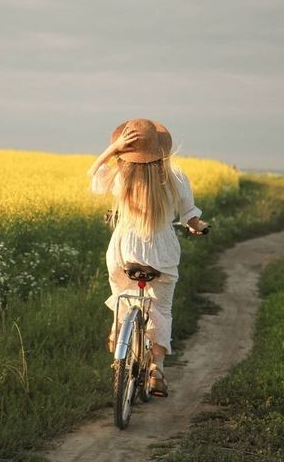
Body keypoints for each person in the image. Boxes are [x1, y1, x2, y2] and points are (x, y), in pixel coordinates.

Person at [87, 118, 210, 397]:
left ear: (127, 151)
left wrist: (113, 150)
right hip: (162, 254)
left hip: (124, 252)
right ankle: (157, 370)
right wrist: (199, 228)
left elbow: (94, 177)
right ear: (160, 149)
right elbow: (191, 217)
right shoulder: (176, 178)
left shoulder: (120, 176)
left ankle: (118, 325)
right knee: (161, 310)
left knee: (122, 292)